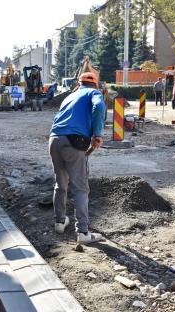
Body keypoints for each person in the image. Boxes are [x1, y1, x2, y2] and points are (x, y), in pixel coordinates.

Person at [49, 72, 106, 244]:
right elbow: (100, 107)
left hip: (54, 139)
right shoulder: (94, 93)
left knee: (61, 184)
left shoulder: (70, 96)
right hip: (74, 142)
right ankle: (83, 232)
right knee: (81, 188)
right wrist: (97, 134)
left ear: (78, 83)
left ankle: (59, 222)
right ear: (95, 84)